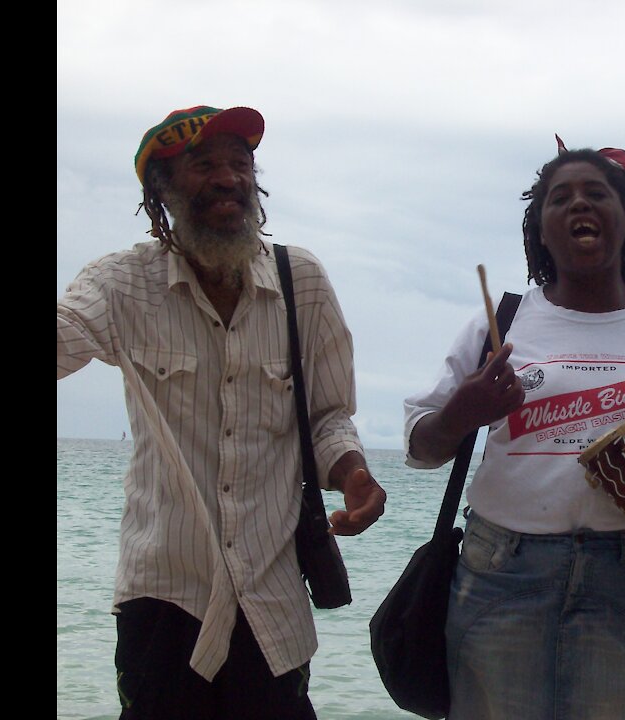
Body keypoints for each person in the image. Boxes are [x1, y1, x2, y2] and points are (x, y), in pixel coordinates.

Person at [403, 141, 625, 720]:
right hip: (501, 569)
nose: (577, 206)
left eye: (597, 194)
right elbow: (422, 444)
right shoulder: (503, 322)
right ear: (540, 230)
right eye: (559, 199)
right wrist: (460, 413)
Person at [57, 105, 387, 720]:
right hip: (164, 599)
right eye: (203, 165)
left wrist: (354, 475)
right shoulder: (122, 284)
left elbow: (329, 416)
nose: (228, 178)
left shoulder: (302, 281)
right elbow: (65, 334)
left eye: (240, 163)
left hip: (273, 605)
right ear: (162, 188)